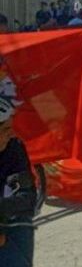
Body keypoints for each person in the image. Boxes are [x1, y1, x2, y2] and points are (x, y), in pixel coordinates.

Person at [0, 62, 36, 267]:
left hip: (12, 224)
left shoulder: (14, 148)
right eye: (4, 129)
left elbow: (26, 197)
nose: (11, 133)